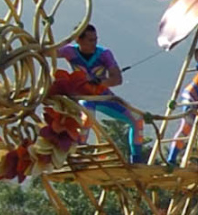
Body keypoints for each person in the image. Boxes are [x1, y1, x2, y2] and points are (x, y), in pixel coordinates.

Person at [58, 24, 146, 162]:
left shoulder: (104, 54)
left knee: (137, 119)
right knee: (87, 115)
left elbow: (117, 79)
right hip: (83, 97)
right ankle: (78, 154)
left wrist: (100, 81)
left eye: (95, 39)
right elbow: (48, 52)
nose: (94, 43)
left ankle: (136, 160)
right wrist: (68, 39)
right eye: (90, 40)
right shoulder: (70, 51)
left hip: (103, 96)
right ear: (78, 40)